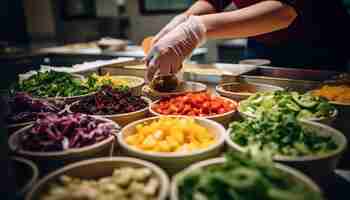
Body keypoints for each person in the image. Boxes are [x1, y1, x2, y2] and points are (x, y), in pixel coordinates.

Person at [144, 0, 350, 81]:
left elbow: (283, 12)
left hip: (317, 43)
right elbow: (213, 1)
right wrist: (185, 19)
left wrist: (195, 29)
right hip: (261, 41)